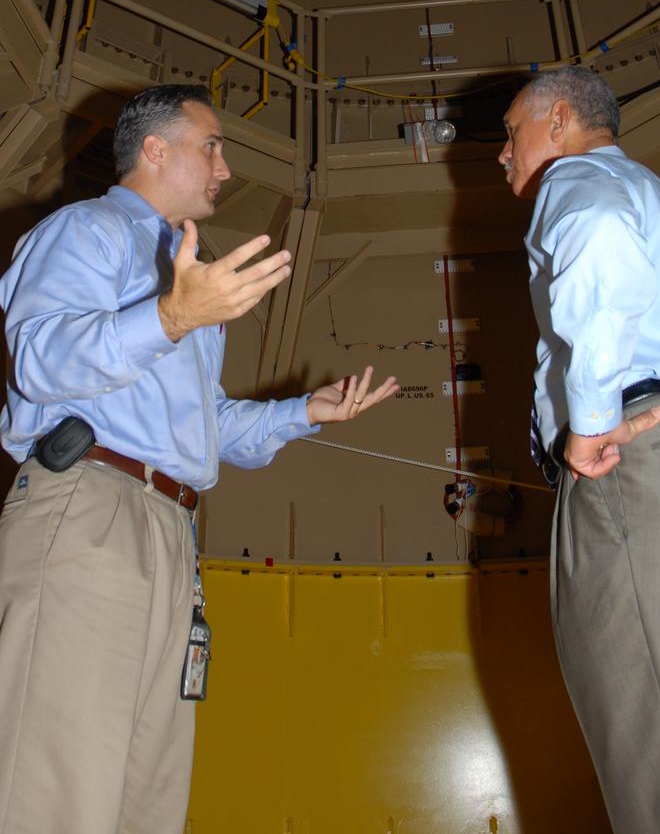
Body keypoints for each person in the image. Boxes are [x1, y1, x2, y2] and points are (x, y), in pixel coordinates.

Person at [0, 83, 398, 834]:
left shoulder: (189, 276)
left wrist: (304, 412)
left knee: (146, 797)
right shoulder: (85, 232)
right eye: (210, 146)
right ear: (154, 150)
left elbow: (204, 425)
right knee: (56, 788)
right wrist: (174, 315)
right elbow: (40, 358)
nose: (223, 168)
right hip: (87, 511)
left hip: (170, 529)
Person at [498, 65, 660, 834]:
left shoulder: (576, 180)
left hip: (635, 465)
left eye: (511, 131)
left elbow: (600, 244)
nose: (503, 152)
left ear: (557, 122)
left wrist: (587, 423)